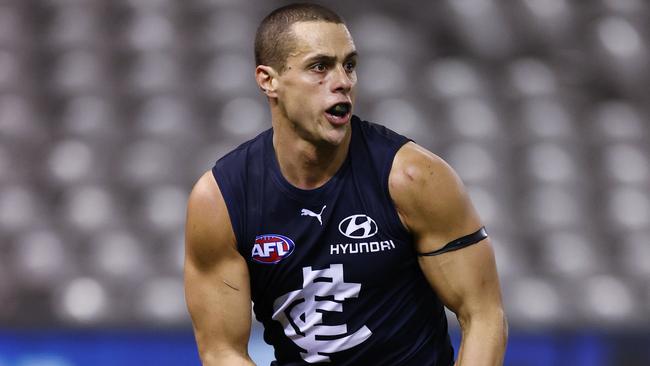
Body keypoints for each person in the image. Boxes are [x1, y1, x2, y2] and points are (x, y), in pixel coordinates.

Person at [184, 3, 507, 365]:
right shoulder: (222, 200)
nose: (343, 81)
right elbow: (221, 350)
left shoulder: (414, 178)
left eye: (349, 65)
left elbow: (483, 315)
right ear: (268, 80)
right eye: (320, 66)